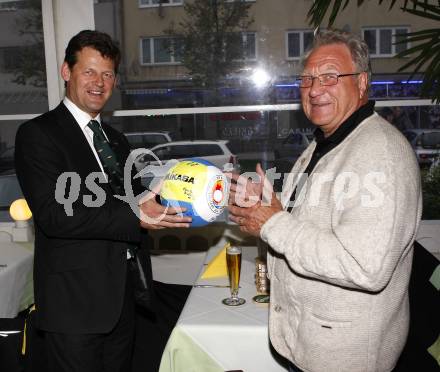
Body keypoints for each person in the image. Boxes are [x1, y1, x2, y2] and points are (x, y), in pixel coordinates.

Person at [228, 29, 422, 372]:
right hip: (313, 348)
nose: (315, 90)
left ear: (361, 83)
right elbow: (313, 221)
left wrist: (272, 222)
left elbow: (364, 267)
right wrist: (271, 206)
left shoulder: (381, 153)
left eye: (330, 76)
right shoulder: (328, 141)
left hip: (346, 357)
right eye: (307, 79)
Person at [14, 30, 191, 372]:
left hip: (123, 298)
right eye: (89, 71)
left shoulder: (116, 140)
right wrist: (136, 213)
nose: (99, 82)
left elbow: (138, 196)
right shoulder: (38, 134)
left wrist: (190, 192)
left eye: (108, 73)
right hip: (74, 305)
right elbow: (56, 214)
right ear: (67, 71)